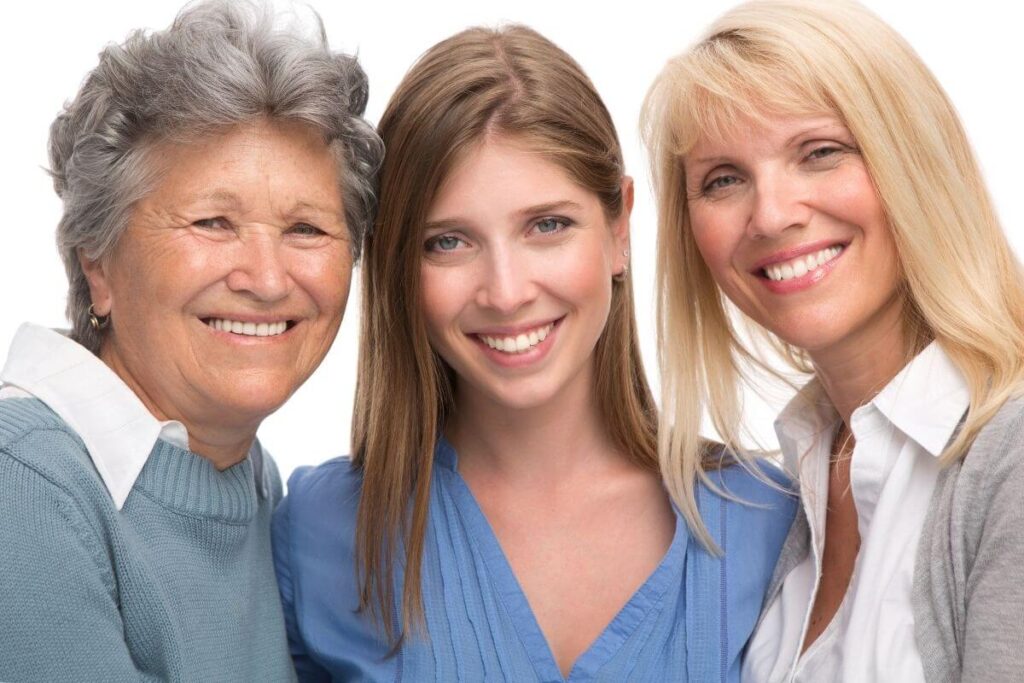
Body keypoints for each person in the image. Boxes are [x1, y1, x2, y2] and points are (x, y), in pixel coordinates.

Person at [272, 24, 795, 682]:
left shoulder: (773, 519)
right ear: (397, 265)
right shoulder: (317, 531)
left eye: (547, 225)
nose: (508, 291)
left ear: (618, 228)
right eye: (448, 242)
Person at [642, 1, 1024, 681]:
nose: (772, 214)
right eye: (723, 179)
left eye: (820, 153)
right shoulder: (798, 482)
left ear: (915, 161)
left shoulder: (1010, 459)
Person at [0, 2, 382, 681]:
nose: (267, 280)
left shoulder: (251, 478)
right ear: (98, 262)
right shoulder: (24, 485)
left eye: (306, 230)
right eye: (212, 221)